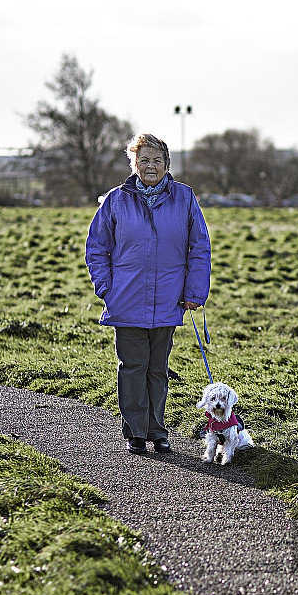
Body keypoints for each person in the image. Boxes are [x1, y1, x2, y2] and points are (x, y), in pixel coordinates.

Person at [85, 132, 211, 454]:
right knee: (132, 367)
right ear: (134, 164)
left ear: (167, 164)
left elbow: (199, 248)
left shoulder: (184, 198)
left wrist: (194, 291)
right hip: (125, 300)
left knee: (158, 368)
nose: (151, 166)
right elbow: (97, 248)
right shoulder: (116, 199)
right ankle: (136, 433)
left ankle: (158, 430)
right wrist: (105, 288)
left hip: (169, 300)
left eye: (157, 160)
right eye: (144, 160)